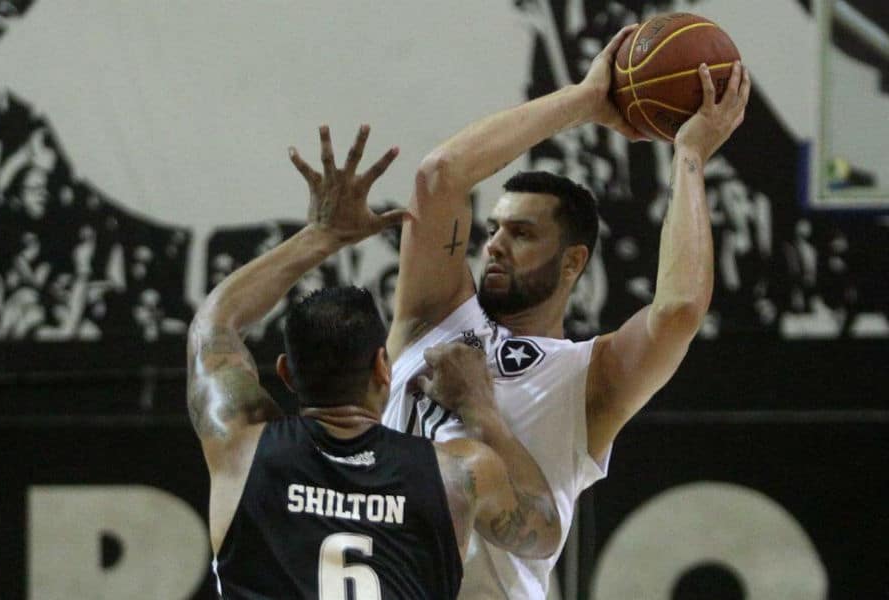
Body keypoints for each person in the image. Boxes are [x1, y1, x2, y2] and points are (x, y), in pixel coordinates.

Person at [292, 26, 751, 599]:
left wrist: (689, 154)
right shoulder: (435, 315)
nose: (495, 245)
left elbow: (680, 309)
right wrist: (585, 101)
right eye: (494, 229)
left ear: (572, 262)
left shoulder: (589, 377)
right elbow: (440, 175)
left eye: (523, 232)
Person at [188, 125, 566, 599]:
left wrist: (321, 236)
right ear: (383, 369)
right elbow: (544, 531)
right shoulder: (459, 473)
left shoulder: (239, 445)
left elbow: (215, 323)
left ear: (286, 373)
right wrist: (481, 411)